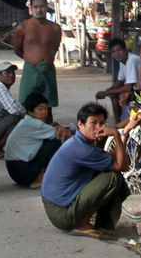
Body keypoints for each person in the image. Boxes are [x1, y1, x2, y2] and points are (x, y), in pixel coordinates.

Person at [40, 102, 130, 239]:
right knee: (113, 178)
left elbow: (116, 158)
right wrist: (116, 135)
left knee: (117, 181)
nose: (98, 128)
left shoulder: (83, 143)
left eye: (102, 123)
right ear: (80, 124)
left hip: (58, 207)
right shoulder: (81, 148)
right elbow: (122, 166)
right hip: (61, 214)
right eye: (93, 123)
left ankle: (104, 225)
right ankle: (82, 223)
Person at [5, 93, 73, 188]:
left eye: (46, 108)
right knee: (55, 142)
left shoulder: (26, 121)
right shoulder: (34, 124)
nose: (44, 112)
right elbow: (62, 134)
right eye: (40, 109)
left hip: (16, 172)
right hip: (23, 171)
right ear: (30, 111)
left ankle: (38, 175)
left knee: (50, 139)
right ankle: (39, 178)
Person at [14, 0, 62, 107]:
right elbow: (17, 49)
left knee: (48, 106)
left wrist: (46, 60)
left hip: (48, 69)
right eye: (35, 7)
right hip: (30, 69)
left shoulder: (55, 28)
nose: (39, 10)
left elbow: (55, 47)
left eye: (42, 6)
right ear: (31, 9)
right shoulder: (23, 27)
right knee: (27, 105)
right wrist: (32, 60)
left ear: (46, 7)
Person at [94, 38, 141, 123]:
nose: (117, 53)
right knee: (114, 96)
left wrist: (107, 93)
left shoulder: (131, 60)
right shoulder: (122, 62)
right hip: (134, 90)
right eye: (113, 51)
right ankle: (118, 122)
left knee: (116, 95)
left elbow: (128, 87)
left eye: (119, 50)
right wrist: (107, 91)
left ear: (125, 49)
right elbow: (119, 82)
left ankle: (119, 123)